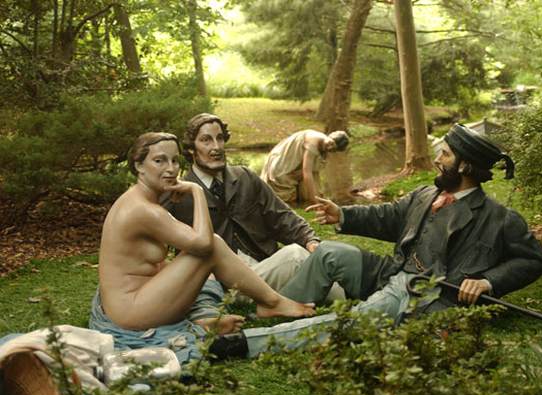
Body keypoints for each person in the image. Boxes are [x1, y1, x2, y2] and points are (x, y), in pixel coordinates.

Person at [210, 123, 542, 360]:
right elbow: (387, 216)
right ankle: (278, 308)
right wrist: (342, 215)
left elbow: (534, 259)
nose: (437, 159)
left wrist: (488, 281)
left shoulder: (499, 218)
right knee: (328, 252)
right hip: (393, 273)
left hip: (428, 296)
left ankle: (245, 344)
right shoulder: (426, 194)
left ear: (465, 166)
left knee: (353, 322)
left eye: (445, 155)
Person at [89, 132, 314, 363]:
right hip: (132, 311)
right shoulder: (144, 210)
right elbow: (204, 243)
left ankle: (206, 318)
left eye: (174, 160)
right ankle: (272, 302)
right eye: (159, 161)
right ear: (139, 166)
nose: (170, 169)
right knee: (212, 246)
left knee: (207, 273)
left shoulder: (142, 200)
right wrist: (196, 191)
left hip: (135, 298)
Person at [165, 114, 344, 335]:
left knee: (311, 256)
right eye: (206, 140)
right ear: (191, 148)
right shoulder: (178, 193)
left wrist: (310, 240)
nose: (216, 147)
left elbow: (282, 217)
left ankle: (343, 294)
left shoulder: (245, 177)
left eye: (220, 138)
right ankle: (351, 299)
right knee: (297, 257)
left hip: (267, 266)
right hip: (226, 283)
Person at [260, 129, 350, 204]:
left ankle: (305, 199)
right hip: (282, 164)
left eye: (333, 149)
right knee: (285, 196)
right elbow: (307, 172)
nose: (330, 148)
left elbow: (312, 171)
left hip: (293, 166)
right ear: (329, 136)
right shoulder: (313, 143)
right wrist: (313, 200)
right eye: (331, 143)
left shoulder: (323, 146)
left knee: (312, 183)